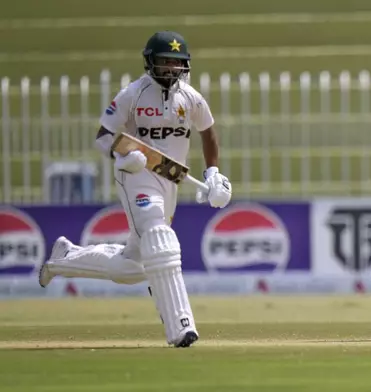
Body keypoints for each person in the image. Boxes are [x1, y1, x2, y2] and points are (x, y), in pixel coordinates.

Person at [38, 31, 232, 348]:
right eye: (164, 62)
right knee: (160, 239)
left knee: (132, 267)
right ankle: (181, 328)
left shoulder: (191, 98)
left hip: (170, 180)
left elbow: (208, 133)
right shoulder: (133, 95)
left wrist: (212, 174)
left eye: (177, 63)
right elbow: (103, 136)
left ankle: (65, 257)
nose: (170, 69)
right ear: (150, 62)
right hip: (135, 176)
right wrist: (123, 156)